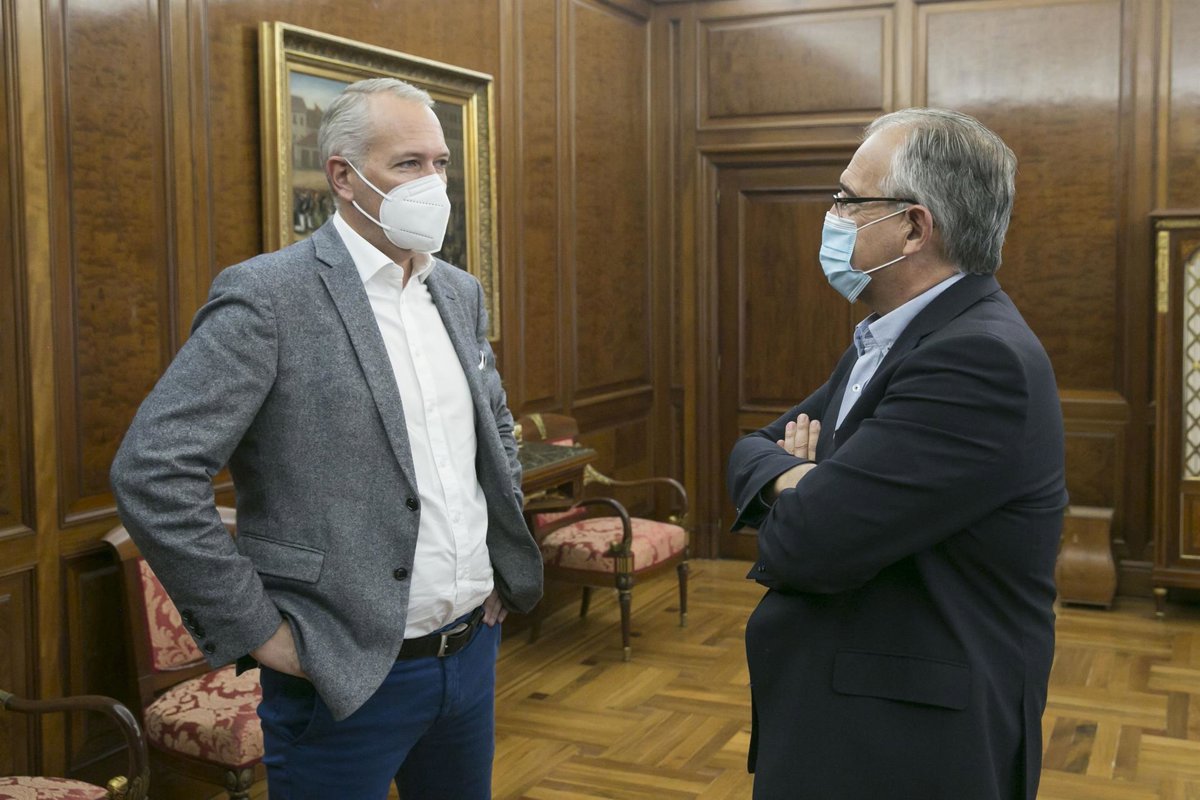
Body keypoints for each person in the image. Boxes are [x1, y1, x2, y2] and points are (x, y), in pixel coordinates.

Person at [110, 78, 542, 799]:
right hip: (340, 673)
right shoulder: (269, 295)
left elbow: (493, 424)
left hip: (471, 652)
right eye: (408, 164)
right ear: (342, 176)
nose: (433, 184)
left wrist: (498, 559)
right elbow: (153, 471)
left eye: (440, 163)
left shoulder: (457, 292)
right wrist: (256, 628)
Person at [726, 108, 1066, 800]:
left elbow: (807, 545)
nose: (832, 216)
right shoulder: (893, 334)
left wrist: (802, 488)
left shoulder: (976, 359)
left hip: (907, 741)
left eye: (849, 199)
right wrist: (801, 478)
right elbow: (750, 448)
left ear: (914, 227)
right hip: (852, 709)